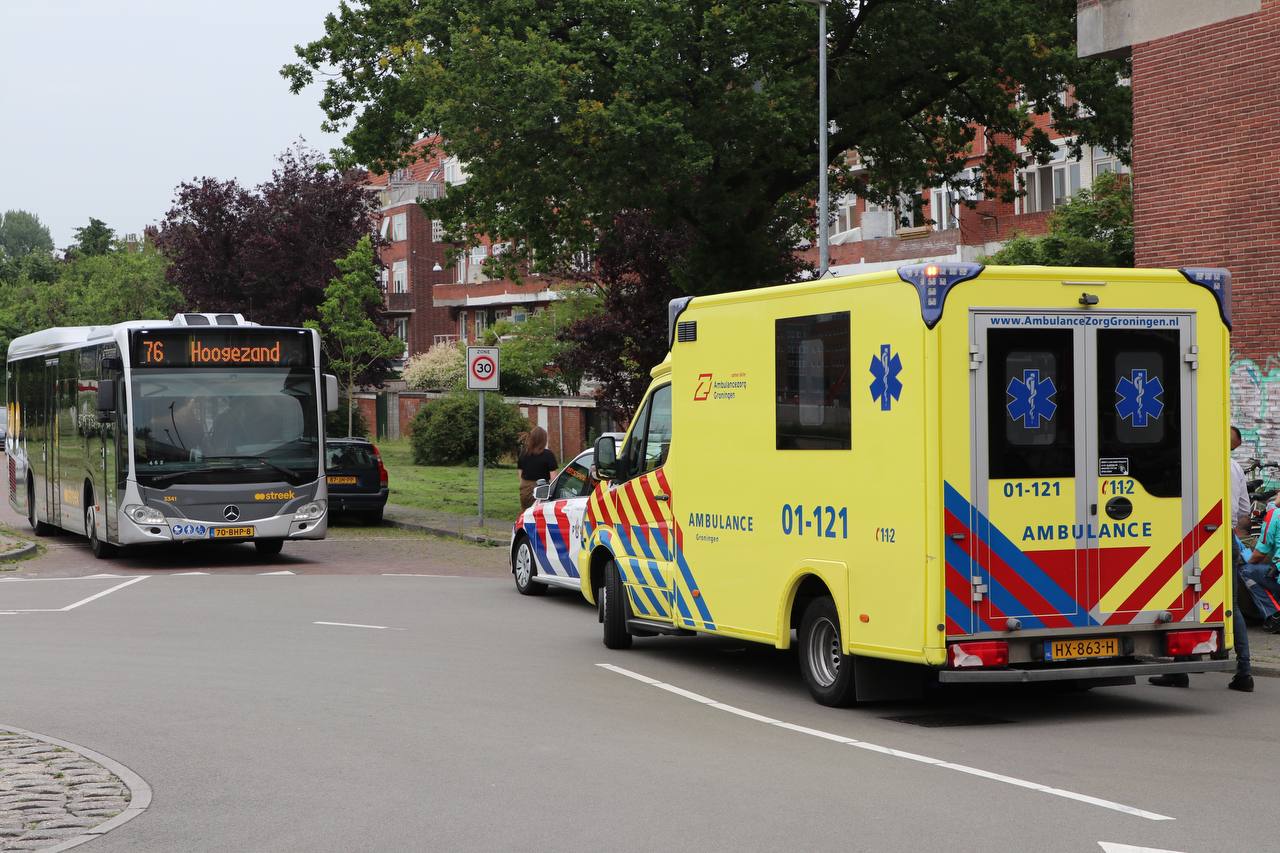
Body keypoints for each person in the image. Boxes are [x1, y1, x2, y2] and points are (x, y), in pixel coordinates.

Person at [1150, 425, 1253, 691]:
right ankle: (1244, 672)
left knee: (1184, 600)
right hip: (1224, 537)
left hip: (1192, 537)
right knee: (1232, 606)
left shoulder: (1195, 464)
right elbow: (1244, 509)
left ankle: (1180, 669)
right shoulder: (1235, 468)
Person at [517, 426, 557, 511]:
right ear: (544, 440)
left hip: (525, 490)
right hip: (542, 491)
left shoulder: (523, 453)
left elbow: (520, 474)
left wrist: (525, 486)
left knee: (526, 513)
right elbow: (553, 479)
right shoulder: (548, 455)